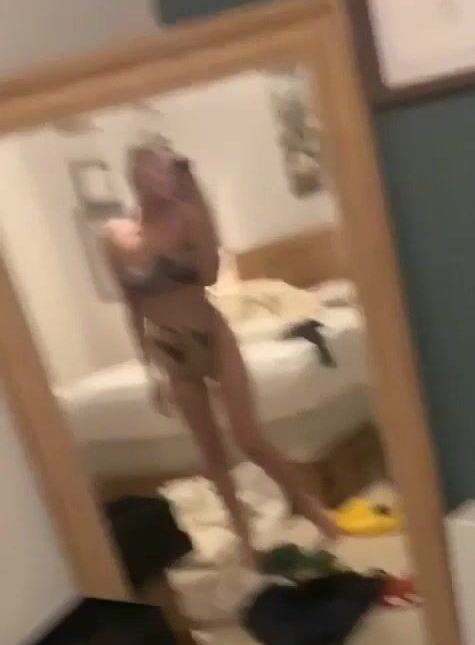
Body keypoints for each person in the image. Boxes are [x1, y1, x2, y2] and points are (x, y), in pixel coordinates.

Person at [104, 140, 336, 569]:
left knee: (248, 437)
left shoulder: (187, 216)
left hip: (212, 334)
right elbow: (130, 303)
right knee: (210, 452)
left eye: (169, 170)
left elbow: (210, 274)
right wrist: (148, 368)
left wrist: (198, 199)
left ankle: (310, 507)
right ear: (135, 174)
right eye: (155, 169)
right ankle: (244, 539)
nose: (163, 178)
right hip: (169, 348)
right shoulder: (116, 236)